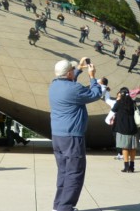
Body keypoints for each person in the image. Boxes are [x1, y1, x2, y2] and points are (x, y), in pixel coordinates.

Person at [49, 57, 101, 211]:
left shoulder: (54, 86)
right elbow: (95, 94)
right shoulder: (75, 89)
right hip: (72, 136)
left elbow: (69, 84)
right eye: (72, 70)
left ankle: (59, 205)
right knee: (74, 172)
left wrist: (79, 68)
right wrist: (92, 76)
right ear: (69, 73)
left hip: (58, 136)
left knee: (64, 171)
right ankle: (65, 207)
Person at [112, 88, 139, 172]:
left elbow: (113, 110)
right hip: (133, 128)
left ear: (121, 94)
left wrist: (118, 99)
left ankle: (126, 166)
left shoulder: (119, 103)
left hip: (122, 128)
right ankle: (132, 166)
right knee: (133, 148)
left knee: (125, 148)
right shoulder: (133, 103)